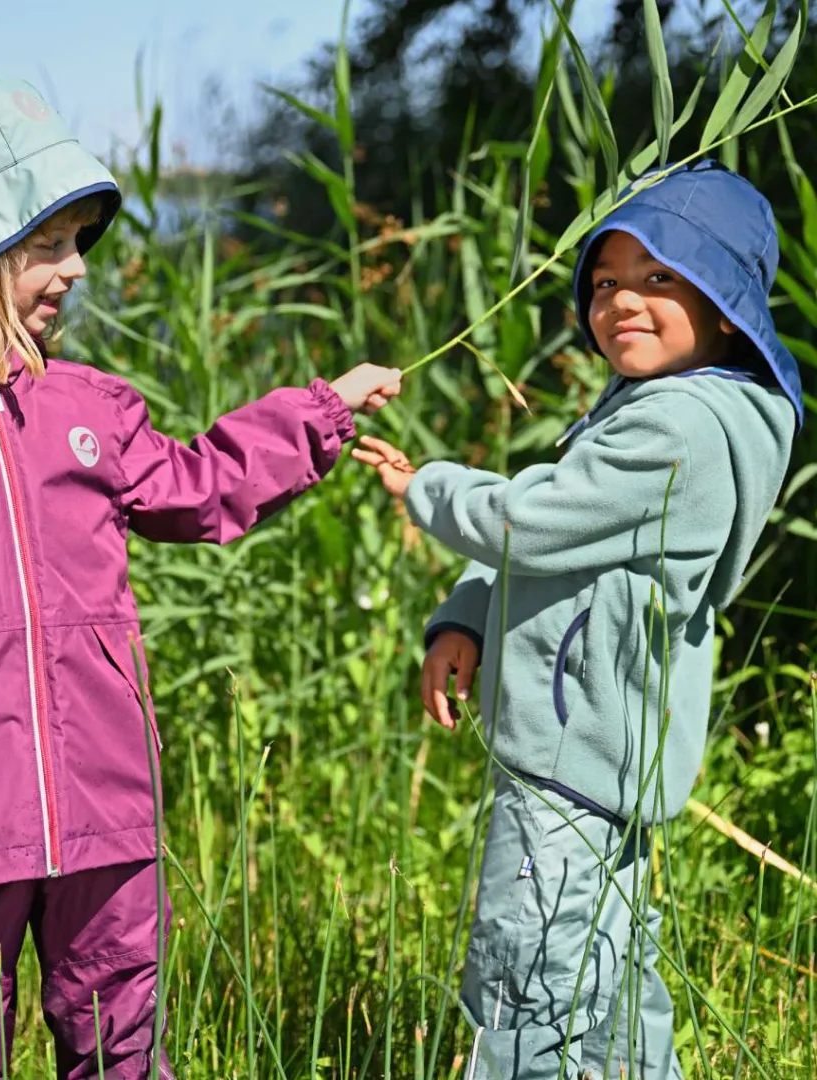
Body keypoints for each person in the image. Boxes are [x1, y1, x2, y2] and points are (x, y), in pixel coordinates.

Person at [0, 69, 402, 1079]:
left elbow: (201, 483)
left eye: (78, 243)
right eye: (48, 243)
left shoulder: (91, 407)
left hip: (102, 800)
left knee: (123, 1044)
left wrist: (320, 413)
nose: (77, 269)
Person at [353, 160, 801, 1079]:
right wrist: (468, 616)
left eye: (660, 276)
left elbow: (528, 519)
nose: (621, 300)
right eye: (603, 282)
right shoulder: (651, 406)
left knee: (526, 989)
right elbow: (566, 530)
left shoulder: (680, 428)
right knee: (610, 992)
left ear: (725, 306)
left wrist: (424, 486)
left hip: (569, 769)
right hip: (598, 761)